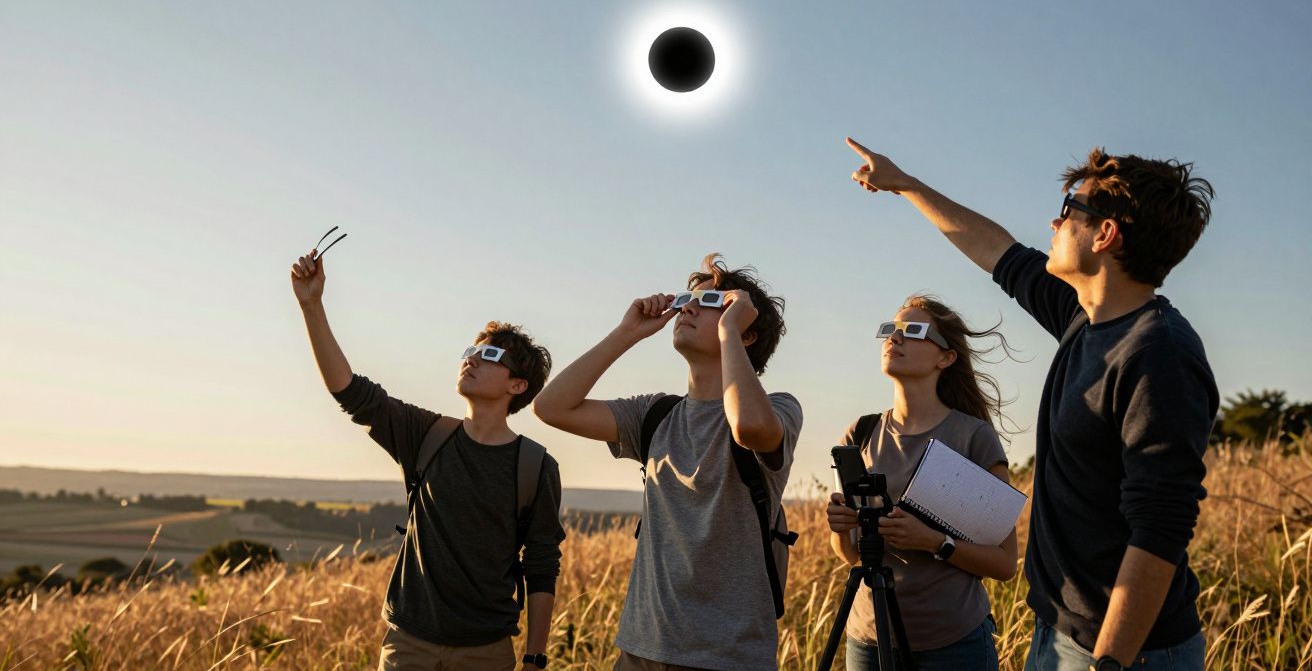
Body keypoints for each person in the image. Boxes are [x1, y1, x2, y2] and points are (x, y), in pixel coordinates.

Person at [844, 139, 1217, 671]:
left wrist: (1109, 661)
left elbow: (1162, 528)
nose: (1053, 222)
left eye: (1069, 209)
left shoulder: (1160, 354)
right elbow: (995, 249)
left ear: (1105, 234)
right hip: (1057, 630)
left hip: (1124, 651)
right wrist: (905, 184)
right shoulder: (1082, 318)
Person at [290, 248, 565, 671]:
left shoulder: (536, 466)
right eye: (470, 351)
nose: (471, 359)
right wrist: (312, 306)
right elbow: (350, 392)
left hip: (486, 652)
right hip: (408, 645)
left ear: (518, 385)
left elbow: (542, 564)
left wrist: (535, 656)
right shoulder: (427, 434)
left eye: (490, 355)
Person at [531, 254, 803, 671]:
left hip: (727, 659)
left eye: (709, 302)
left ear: (746, 331)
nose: (687, 308)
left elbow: (748, 427)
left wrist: (730, 331)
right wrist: (626, 333)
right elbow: (551, 406)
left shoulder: (780, 408)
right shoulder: (655, 415)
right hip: (640, 650)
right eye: (686, 300)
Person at [827, 295, 1019, 671]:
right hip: (869, 640)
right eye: (890, 329)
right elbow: (851, 554)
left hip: (953, 643)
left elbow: (1004, 563)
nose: (894, 338)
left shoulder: (972, 437)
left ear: (945, 358)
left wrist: (933, 541)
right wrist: (839, 528)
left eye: (913, 331)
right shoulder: (860, 433)